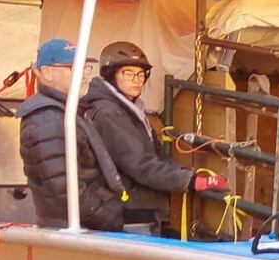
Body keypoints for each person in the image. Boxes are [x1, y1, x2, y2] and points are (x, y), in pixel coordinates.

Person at [16, 36, 223, 231]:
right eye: (74, 68)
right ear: (47, 73)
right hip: (90, 222)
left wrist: (185, 174)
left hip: (89, 221)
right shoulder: (51, 119)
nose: (84, 75)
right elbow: (66, 188)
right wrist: (108, 216)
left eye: (86, 68)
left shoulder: (78, 111)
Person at [83, 41, 225, 229]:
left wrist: (182, 173)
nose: (137, 80)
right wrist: (189, 181)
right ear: (110, 75)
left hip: (137, 205)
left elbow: (155, 154)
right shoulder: (109, 113)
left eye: (141, 74)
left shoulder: (132, 109)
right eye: (128, 73)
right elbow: (139, 164)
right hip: (128, 210)